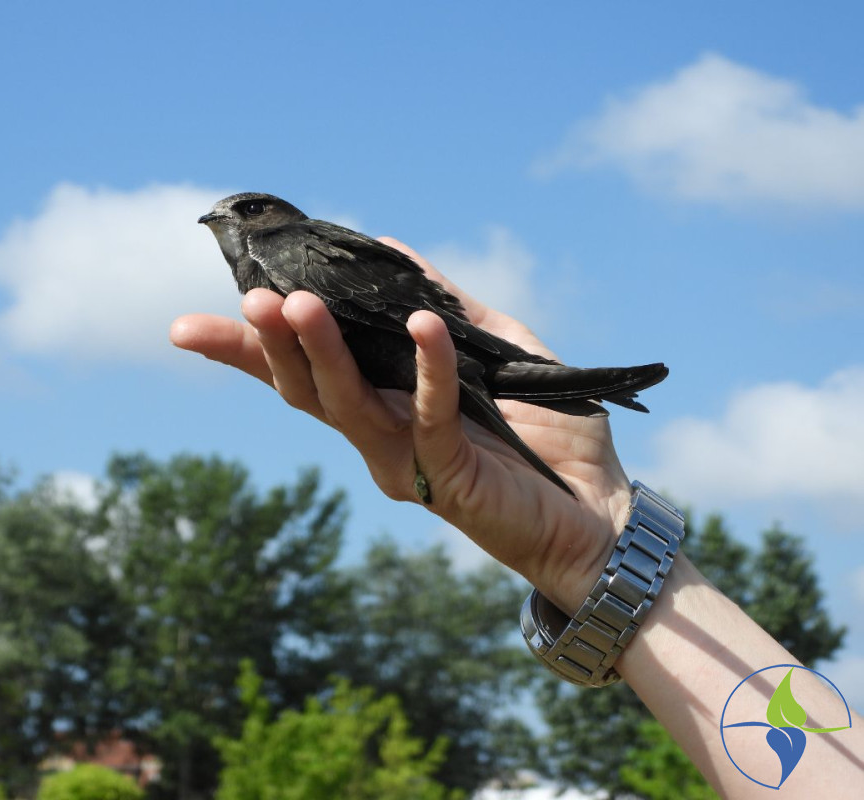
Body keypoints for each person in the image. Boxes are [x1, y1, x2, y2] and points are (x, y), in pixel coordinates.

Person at [170, 237, 862, 797]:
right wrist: (593, 552)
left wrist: (599, 545)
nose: (225, 221)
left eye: (247, 209)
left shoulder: (290, 247)